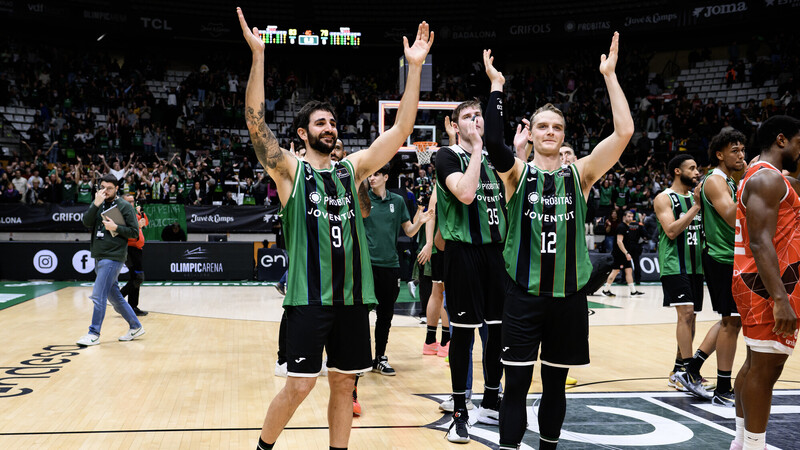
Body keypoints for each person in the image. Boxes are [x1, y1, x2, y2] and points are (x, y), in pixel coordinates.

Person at [238, 8, 432, 450]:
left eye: (332, 122)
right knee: (299, 387)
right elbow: (255, 124)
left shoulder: (354, 169)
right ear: (303, 135)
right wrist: (259, 58)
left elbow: (402, 129)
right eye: (320, 123)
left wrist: (415, 69)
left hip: (351, 302)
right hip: (308, 299)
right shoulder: (289, 172)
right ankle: (262, 447)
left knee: (344, 386)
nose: (330, 127)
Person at [482, 33, 633, 450]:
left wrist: (609, 76)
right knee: (515, 387)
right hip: (523, 295)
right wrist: (496, 86)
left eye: (557, 127)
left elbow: (623, 132)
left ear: (564, 137)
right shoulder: (515, 175)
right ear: (530, 135)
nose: (550, 132)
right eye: (542, 126)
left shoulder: (580, 174)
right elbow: (494, 143)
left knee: (555, 387)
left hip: (568, 298)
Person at [434, 100, 508, 441]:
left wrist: (512, 150)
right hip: (463, 253)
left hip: (497, 252)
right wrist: (478, 148)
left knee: (498, 332)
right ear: (455, 124)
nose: (475, 120)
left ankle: (491, 401)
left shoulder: (497, 157)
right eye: (467, 116)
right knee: (463, 335)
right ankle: (460, 412)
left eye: (478, 115)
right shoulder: (446, 156)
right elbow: (465, 194)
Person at [730, 115, 800, 450]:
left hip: (761, 281)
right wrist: (780, 298)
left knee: (756, 364)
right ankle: (754, 446)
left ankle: (742, 441)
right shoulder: (767, 180)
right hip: (768, 284)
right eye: (799, 142)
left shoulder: (760, 175)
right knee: (764, 370)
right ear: (782, 140)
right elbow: (759, 241)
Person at [655, 154, 718, 398]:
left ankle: (677, 371)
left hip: (696, 267)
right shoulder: (664, 198)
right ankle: (688, 373)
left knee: (690, 319)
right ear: (677, 172)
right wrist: (696, 207)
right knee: (686, 314)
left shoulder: (698, 198)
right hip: (674, 265)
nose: (697, 172)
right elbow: (671, 231)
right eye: (692, 168)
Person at [364, 164, 432, 375]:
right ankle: (362, 357)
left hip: (390, 266)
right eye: (370, 175)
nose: (372, 178)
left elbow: (409, 232)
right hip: (367, 266)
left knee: (385, 315)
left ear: (385, 177)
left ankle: (380, 357)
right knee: (359, 314)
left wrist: (419, 222)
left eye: (376, 174)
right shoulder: (363, 200)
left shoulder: (398, 201)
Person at [695, 130, 747, 407]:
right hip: (722, 257)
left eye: (742, 150)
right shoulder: (715, 181)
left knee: (731, 320)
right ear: (720, 154)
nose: (741, 155)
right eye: (735, 151)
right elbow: (732, 217)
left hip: (732, 257)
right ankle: (723, 388)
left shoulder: (728, 180)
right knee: (731, 322)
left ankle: (692, 368)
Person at [75, 174, 144, 346]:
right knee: (115, 298)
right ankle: (135, 326)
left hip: (113, 257)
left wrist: (116, 228)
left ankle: (94, 333)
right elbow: (86, 222)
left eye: (110, 188)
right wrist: (95, 204)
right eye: (103, 187)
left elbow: (134, 232)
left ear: (116, 189)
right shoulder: (98, 203)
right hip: (99, 256)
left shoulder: (124, 207)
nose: (106, 191)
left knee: (98, 296)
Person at [600, 210, 645, 297]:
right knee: (615, 271)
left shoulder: (627, 226)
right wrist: (626, 253)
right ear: (624, 217)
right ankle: (605, 290)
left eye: (632, 217)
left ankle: (633, 291)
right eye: (629, 216)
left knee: (629, 271)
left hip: (624, 254)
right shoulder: (621, 227)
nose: (630, 218)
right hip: (619, 254)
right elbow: (619, 242)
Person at [120, 194, 149, 316]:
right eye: (129, 202)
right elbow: (126, 232)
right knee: (138, 278)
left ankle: (133, 307)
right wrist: (138, 225)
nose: (132, 204)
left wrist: (141, 213)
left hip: (137, 249)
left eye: (133, 202)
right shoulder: (122, 216)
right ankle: (119, 297)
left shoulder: (133, 214)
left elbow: (145, 223)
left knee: (135, 278)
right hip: (130, 249)